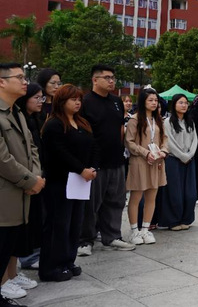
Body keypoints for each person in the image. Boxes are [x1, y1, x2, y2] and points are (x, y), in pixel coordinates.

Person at [38, 84, 95, 284]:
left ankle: (68, 260)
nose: (78, 102)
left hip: (80, 181)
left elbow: (91, 146)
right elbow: (60, 153)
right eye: (73, 99)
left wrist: (91, 168)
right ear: (62, 102)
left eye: (79, 99)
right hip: (60, 181)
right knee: (58, 224)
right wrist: (81, 169)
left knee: (74, 223)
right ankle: (51, 266)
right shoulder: (54, 124)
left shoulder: (82, 122)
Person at [77, 65, 135, 257]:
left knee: (116, 200)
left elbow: (119, 128)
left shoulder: (116, 101)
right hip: (95, 162)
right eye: (107, 77)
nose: (112, 81)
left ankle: (112, 236)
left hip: (116, 159)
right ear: (95, 80)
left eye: (113, 78)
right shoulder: (85, 102)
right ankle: (85, 240)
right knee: (91, 204)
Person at [0, 63, 45, 307]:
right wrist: (30, 180)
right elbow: (2, 159)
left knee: (12, 242)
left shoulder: (16, 112)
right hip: (6, 193)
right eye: (19, 77)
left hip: (22, 191)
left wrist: (35, 177)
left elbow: (32, 148)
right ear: (2, 82)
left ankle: (9, 279)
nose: (25, 81)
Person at [125, 88, 168, 245]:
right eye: (150, 100)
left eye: (156, 100)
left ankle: (145, 229)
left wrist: (163, 151)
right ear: (143, 102)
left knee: (151, 196)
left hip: (156, 161)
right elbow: (129, 142)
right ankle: (134, 230)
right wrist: (145, 152)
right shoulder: (135, 119)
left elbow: (165, 138)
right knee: (136, 197)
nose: (154, 103)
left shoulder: (158, 119)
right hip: (139, 161)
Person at [161, 94, 198, 231]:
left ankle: (186, 219)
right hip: (173, 160)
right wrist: (182, 156)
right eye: (180, 102)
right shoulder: (168, 122)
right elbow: (168, 142)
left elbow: (195, 140)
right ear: (174, 104)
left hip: (189, 160)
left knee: (190, 192)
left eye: (186, 103)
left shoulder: (190, 121)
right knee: (174, 192)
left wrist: (190, 154)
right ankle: (173, 220)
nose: (184, 105)